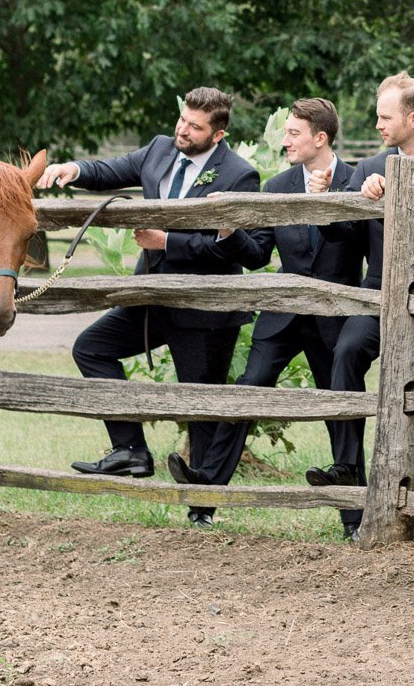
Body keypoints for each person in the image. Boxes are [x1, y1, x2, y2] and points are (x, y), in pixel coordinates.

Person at [37, 87, 260, 511]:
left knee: (199, 406)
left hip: (203, 311)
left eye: (195, 127)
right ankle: (131, 450)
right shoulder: (159, 149)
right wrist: (73, 169)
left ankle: (202, 508)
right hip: (149, 299)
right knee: (91, 348)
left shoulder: (239, 174)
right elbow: (110, 170)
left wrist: (167, 241)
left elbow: (233, 250)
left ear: (218, 135)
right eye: (182, 120)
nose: (183, 130)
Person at [166, 98, 364, 527]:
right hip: (283, 316)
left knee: (340, 407)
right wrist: (229, 231)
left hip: (334, 317)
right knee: (249, 390)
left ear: (320, 138)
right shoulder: (276, 186)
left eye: (294, 133)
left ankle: (355, 518)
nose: (285, 140)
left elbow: (360, 242)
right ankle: (205, 497)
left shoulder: (357, 180)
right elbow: (257, 255)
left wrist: (328, 203)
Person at [312, 72, 414, 542]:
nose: (377, 125)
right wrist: (346, 199)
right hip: (378, 295)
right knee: (347, 352)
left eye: (384, 117)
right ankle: (347, 466)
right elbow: (341, 234)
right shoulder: (370, 166)